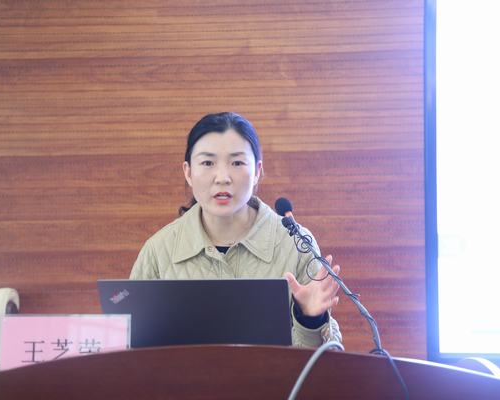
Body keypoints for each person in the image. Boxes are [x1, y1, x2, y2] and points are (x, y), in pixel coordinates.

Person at [130, 112, 342, 347]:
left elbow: (324, 359)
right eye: (208, 163)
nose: (222, 178)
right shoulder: (159, 250)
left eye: (237, 163)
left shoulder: (295, 244)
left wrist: (310, 321)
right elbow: (132, 351)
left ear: (257, 171)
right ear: (188, 172)